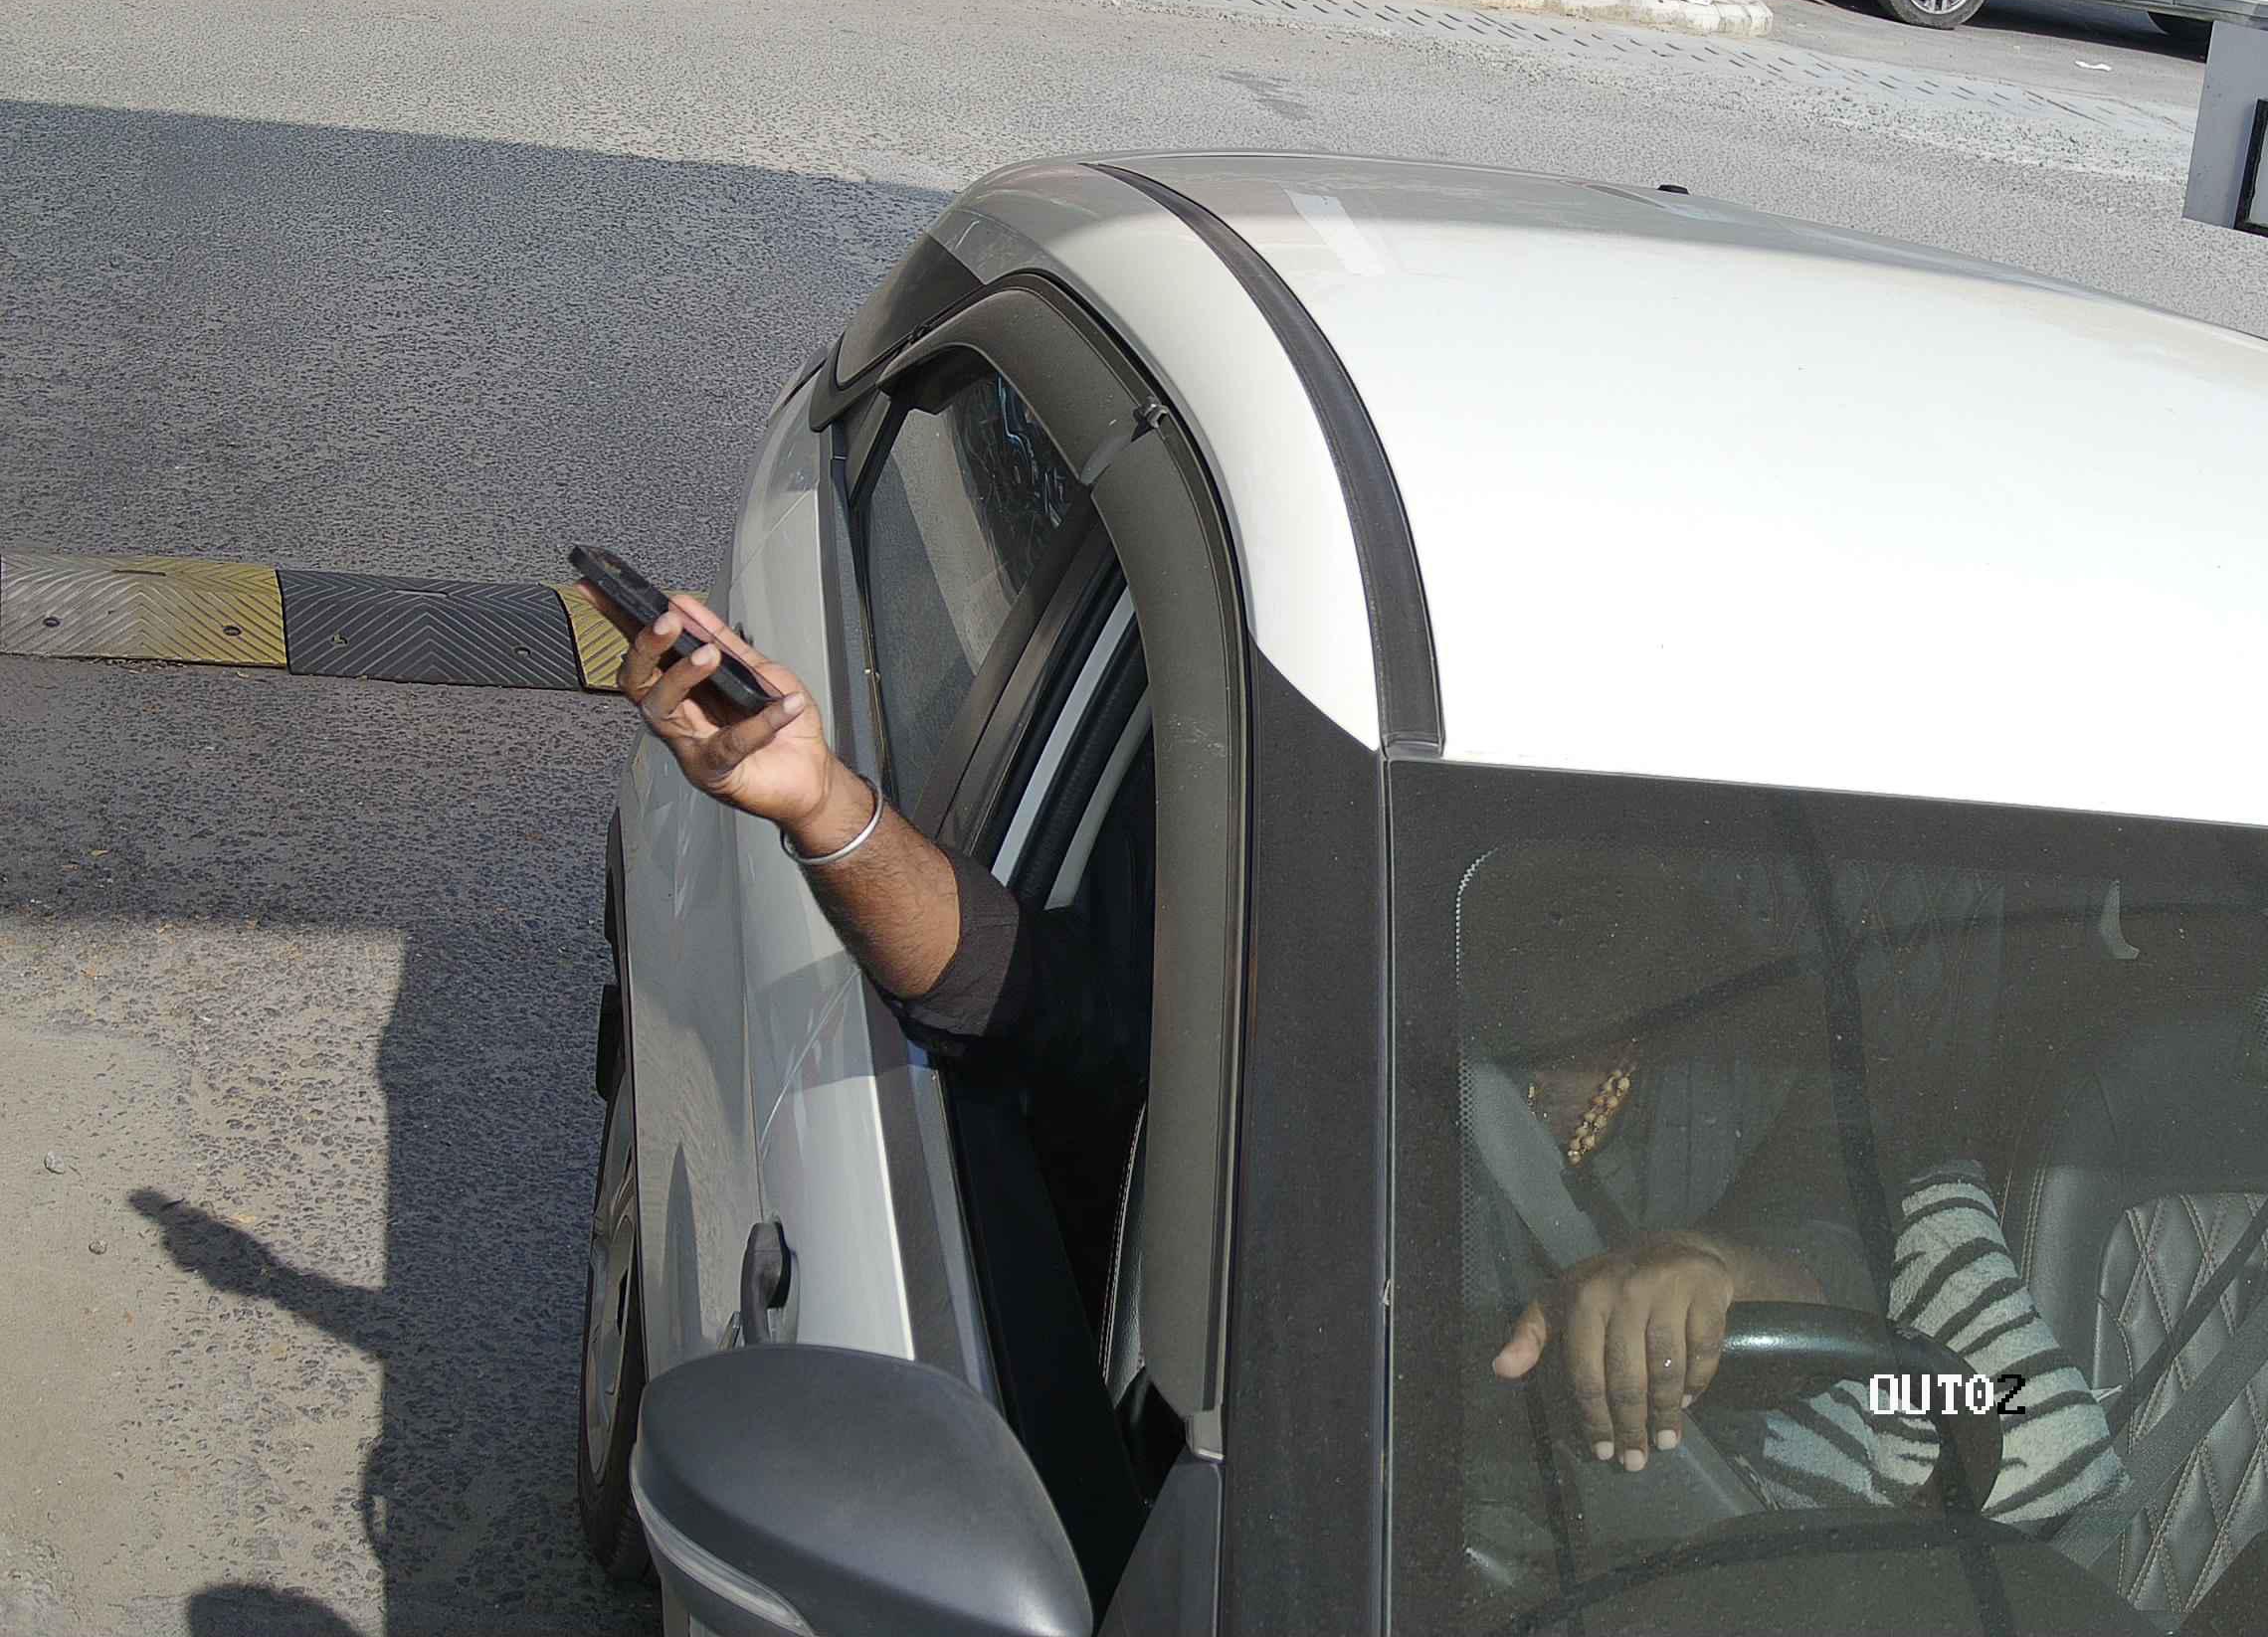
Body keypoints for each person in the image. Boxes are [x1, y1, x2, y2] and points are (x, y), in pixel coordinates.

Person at [591, 589, 1872, 1472]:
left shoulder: (1768, 1062)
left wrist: (1718, 1272)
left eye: (1640, 857)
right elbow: (1015, 991)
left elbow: (1874, 1263)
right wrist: (820, 804)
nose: (1591, 893)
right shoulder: (1308, 1006)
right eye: (1546, 853)